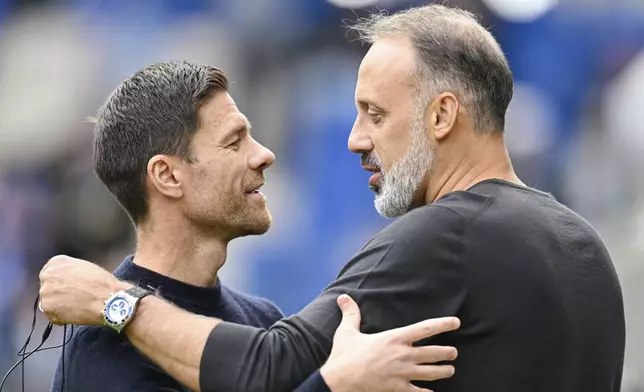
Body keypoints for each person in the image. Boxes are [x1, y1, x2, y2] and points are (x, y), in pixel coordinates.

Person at [40, 4, 626, 392]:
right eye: (235, 140)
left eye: (374, 113)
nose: (354, 138)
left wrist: (116, 303)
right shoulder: (585, 246)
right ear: (166, 176)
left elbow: (267, 366)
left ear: (443, 115)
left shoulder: (445, 236)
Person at [46, 61, 459, 392]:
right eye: (234, 141)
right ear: (168, 176)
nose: (264, 155)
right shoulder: (105, 348)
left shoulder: (262, 319)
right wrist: (335, 386)